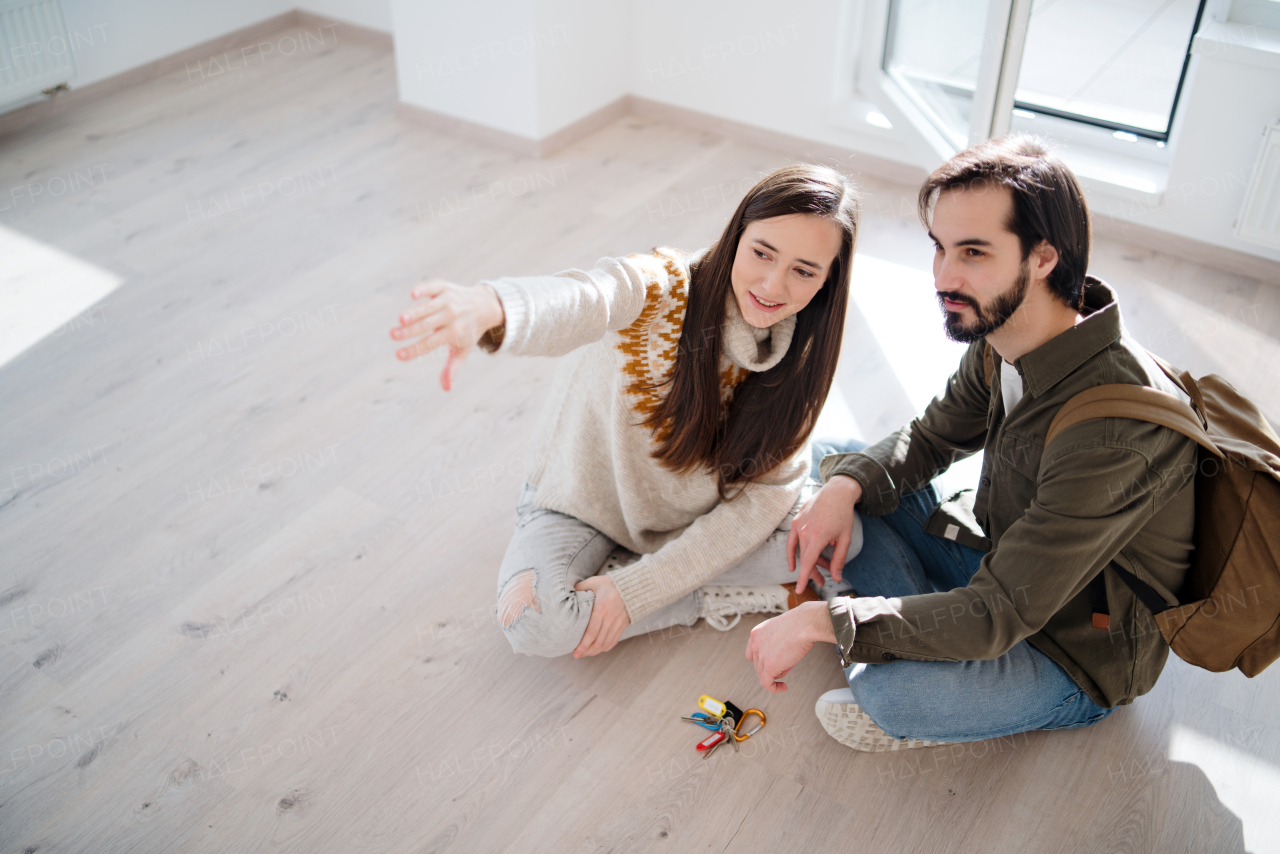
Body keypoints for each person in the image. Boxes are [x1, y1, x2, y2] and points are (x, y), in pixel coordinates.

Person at [745, 135, 1197, 752]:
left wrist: (823, 620)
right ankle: (904, 622)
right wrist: (846, 488)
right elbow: (931, 437)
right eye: (940, 248)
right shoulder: (1004, 331)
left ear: (1042, 258)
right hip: (995, 560)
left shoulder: (1116, 431)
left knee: (895, 698)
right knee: (836, 461)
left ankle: (878, 617)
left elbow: (1000, 613)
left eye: (974, 253)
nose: (945, 277)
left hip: (1069, 648)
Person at [391, 164, 863, 659]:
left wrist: (632, 592)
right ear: (737, 235)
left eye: (804, 271)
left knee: (838, 545)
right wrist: (494, 306)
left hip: (693, 512)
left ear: (828, 281)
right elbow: (587, 297)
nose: (772, 284)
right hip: (582, 505)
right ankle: (695, 588)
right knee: (535, 623)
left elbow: (760, 502)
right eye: (762, 252)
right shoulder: (662, 286)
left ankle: (637, 574)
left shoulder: (804, 359)